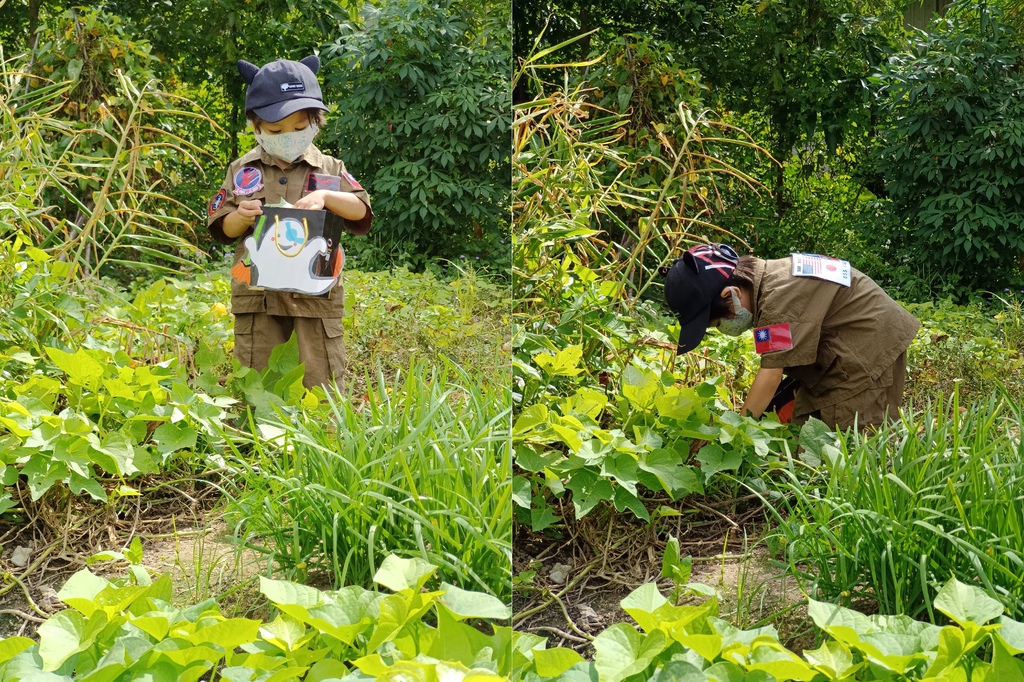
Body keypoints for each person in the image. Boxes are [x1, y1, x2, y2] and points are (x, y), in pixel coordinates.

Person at [206, 56, 372, 389]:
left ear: (316, 122)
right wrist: (241, 216)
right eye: (276, 130)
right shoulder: (242, 170)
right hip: (259, 297)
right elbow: (222, 228)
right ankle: (254, 441)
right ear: (257, 127)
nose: (289, 136)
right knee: (256, 382)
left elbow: (360, 210)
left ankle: (318, 440)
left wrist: (326, 198)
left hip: (316, 295)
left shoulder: (329, 167)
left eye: (299, 128)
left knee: (320, 384)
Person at [662, 243, 921, 431]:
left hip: (869, 349)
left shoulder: (777, 299)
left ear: (730, 294)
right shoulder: (770, 284)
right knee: (800, 426)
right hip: (851, 343)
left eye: (718, 322)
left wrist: (737, 429)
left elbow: (771, 374)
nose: (722, 329)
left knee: (848, 444)